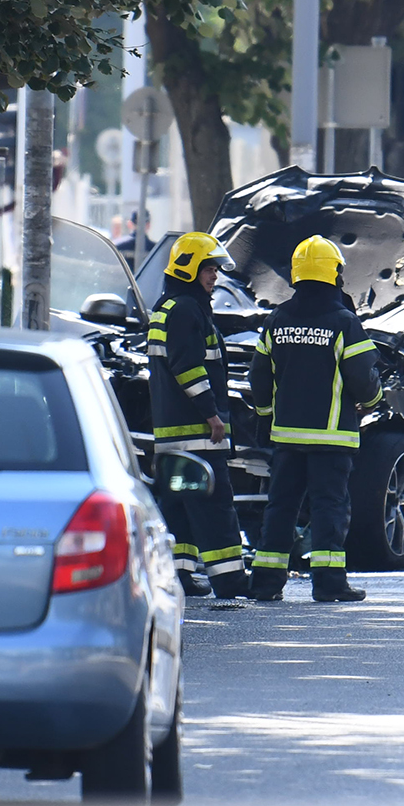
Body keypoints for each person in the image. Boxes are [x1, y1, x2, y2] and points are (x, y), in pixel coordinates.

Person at [248, 236, 384, 603]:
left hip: (287, 438)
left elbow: (258, 376)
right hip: (331, 438)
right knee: (329, 508)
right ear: (334, 273)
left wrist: (266, 416)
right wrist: (372, 401)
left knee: (280, 507)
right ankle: (328, 584)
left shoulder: (277, 319)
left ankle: (264, 583)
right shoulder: (344, 321)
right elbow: (364, 378)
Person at [148, 232, 248, 598]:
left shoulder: (169, 306)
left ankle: (179, 576)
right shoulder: (188, 310)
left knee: (179, 511)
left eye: (216, 269)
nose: (214, 276)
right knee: (214, 507)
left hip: (172, 435)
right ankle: (230, 579)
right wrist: (213, 416)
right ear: (189, 268)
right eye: (209, 268)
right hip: (197, 435)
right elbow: (188, 368)